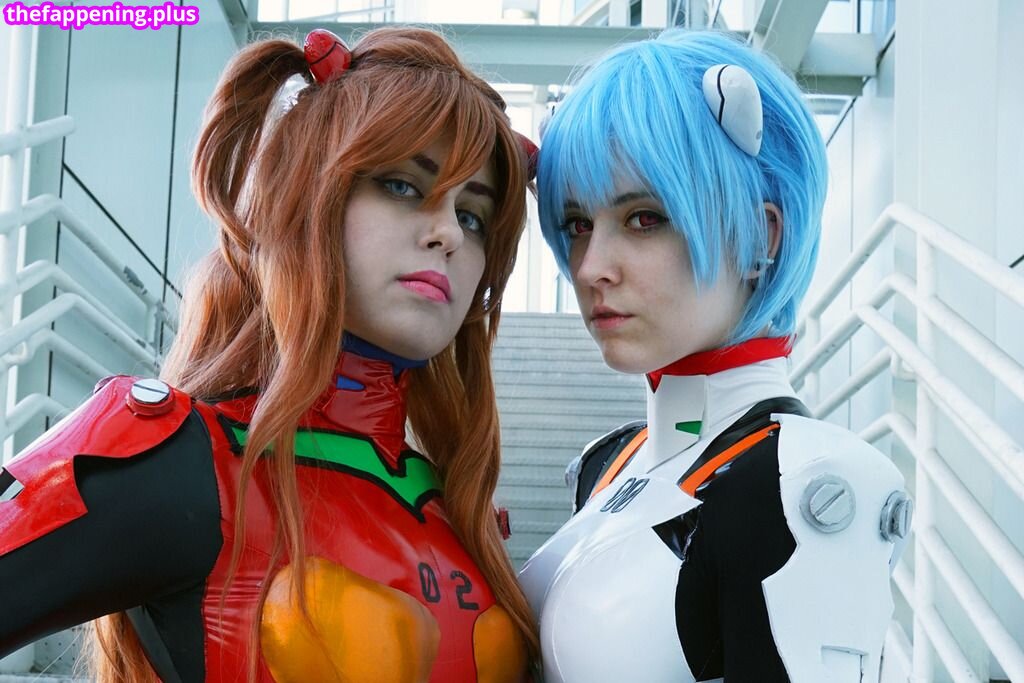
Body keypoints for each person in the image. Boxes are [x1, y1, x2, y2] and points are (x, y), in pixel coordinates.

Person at [0, 26, 538, 682]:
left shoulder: (458, 506)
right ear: (305, 197)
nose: (449, 233)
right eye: (402, 185)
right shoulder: (184, 460)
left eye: (474, 215)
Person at [519, 30, 911, 682]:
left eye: (644, 218)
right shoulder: (609, 462)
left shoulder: (805, 479)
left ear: (759, 236)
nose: (590, 267)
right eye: (578, 225)